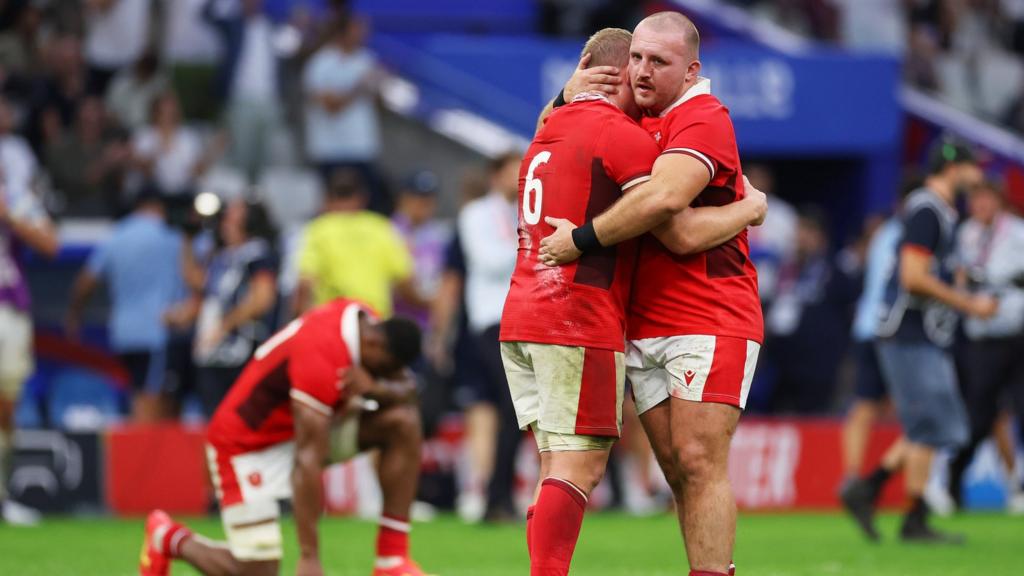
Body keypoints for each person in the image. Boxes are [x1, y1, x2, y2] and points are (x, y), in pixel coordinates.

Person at [501, 27, 766, 575]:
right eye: (637, 60)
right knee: (673, 468)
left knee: (695, 461)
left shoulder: (702, 115)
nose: (643, 72)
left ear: (690, 71)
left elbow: (675, 219)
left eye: (659, 62)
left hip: (709, 313)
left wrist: (581, 238)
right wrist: (564, 95)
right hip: (636, 321)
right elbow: (553, 137)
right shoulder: (630, 121)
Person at [139, 299, 434, 576]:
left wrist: (374, 388)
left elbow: (407, 388)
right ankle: (168, 537)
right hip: (246, 445)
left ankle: (392, 561)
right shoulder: (324, 351)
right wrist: (309, 556)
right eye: (383, 368)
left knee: (403, 422)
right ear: (374, 343)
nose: (385, 374)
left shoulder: (365, 322)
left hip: (297, 433)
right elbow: (308, 460)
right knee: (258, 569)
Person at [857, 140, 994, 543]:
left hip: (918, 333)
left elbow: (929, 270)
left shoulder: (937, 212)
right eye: (974, 166)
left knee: (930, 425)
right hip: (908, 332)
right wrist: (968, 303)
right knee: (937, 424)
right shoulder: (927, 210)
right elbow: (913, 277)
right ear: (954, 167)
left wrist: (963, 280)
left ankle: (885, 499)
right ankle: (883, 497)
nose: (979, 176)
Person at [66, 191, 183, 421]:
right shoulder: (170, 236)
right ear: (157, 206)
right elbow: (195, 275)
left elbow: (85, 282)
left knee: (138, 394)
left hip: (123, 333)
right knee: (152, 401)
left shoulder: (116, 236)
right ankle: (145, 456)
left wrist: (74, 314)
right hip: (156, 333)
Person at [945, 180, 1024, 513]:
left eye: (986, 199)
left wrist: (994, 282)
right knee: (979, 417)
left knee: (1020, 408)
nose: (981, 206)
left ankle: (1019, 485)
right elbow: (957, 278)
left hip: (1016, 334)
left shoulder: (1017, 232)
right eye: (975, 200)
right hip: (980, 341)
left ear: (999, 201)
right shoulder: (965, 234)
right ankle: (953, 478)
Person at [456, 151, 524, 522]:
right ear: (494, 175)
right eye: (514, 173)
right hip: (491, 320)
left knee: (513, 409)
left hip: (522, 319)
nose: (520, 180)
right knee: (510, 407)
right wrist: (531, 241)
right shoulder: (476, 214)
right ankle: (496, 497)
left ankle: (498, 498)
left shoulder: (525, 212)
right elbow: (488, 261)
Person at [0, 144, 59, 525]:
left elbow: (51, 244)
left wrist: (7, 215)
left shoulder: (15, 197)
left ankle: (2, 496)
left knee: (5, 407)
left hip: (7, 308)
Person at [763, 208, 859, 413]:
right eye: (799, 232)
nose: (801, 238)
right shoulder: (786, 270)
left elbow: (851, 314)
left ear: (821, 237)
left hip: (820, 367)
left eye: (807, 232)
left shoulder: (836, 272)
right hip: (783, 365)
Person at [191, 199, 279, 417]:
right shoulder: (221, 256)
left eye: (232, 215)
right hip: (213, 353)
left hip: (240, 350)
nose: (224, 220)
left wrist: (224, 325)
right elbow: (205, 290)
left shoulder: (256, 254)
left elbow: (262, 297)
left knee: (237, 417)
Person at [295, 169, 424, 318]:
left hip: (335, 322)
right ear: (363, 198)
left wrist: (300, 320)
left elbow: (305, 284)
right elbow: (405, 282)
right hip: (375, 322)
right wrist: (428, 303)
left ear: (327, 199)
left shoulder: (319, 229)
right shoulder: (381, 228)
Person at [302, 13, 386, 212]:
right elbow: (330, 108)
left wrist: (381, 86)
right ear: (342, 33)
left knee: (365, 207)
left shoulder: (366, 59)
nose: (362, 35)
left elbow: (379, 104)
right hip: (330, 150)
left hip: (361, 148)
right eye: (356, 30)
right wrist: (360, 86)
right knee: (332, 207)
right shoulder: (320, 64)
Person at [391, 170, 452, 329]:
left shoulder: (438, 235)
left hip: (426, 324)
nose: (424, 205)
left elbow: (444, 281)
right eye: (418, 198)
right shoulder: (390, 231)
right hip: (394, 319)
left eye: (429, 200)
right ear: (404, 198)